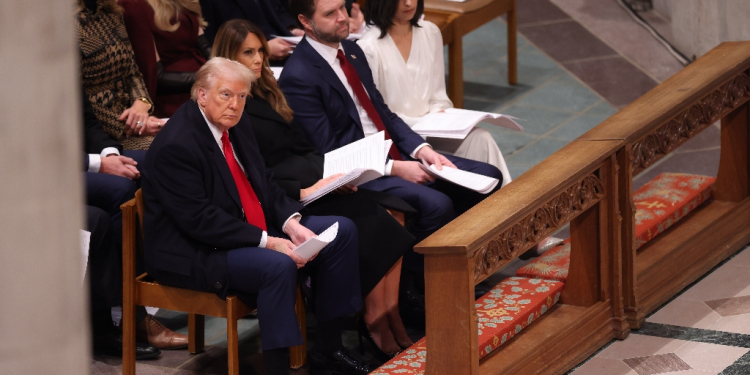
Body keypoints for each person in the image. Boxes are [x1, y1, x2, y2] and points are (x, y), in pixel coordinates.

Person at [141, 57, 372, 375]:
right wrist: (267, 242)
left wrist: (292, 224)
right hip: (194, 251)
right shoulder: (177, 145)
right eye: (226, 94)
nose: (235, 104)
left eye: (241, 96)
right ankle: (278, 369)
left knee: (340, 231)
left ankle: (329, 347)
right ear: (202, 94)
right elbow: (200, 220)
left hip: (244, 227)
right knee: (275, 266)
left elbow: (264, 182)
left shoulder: (235, 123)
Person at [212, 19, 416, 358]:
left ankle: (388, 315)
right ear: (227, 57)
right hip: (284, 198)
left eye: (261, 50)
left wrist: (328, 178)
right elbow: (251, 175)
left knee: (391, 212)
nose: (258, 59)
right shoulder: (235, 107)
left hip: (311, 183)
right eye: (248, 52)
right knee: (370, 221)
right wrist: (304, 188)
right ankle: (373, 322)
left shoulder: (268, 91)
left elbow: (306, 147)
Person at [279, 0, 504, 293]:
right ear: (305, 22)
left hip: (395, 154)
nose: (342, 18)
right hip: (362, 174)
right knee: (437, 204)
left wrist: (421, 148)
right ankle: (418, 292)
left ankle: (461, 271)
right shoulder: (300, 75)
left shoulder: (353, 50)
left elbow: (383, 113)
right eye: (330, 14)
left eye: (343, 9)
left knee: (488, 177)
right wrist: (394, 168)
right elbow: (329, 151)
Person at [358, 0, 511, 185]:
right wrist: (424, 124)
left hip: (433, 128)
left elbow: (439, 96)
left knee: (481, 138)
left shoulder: (429, 32)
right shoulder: (368, 47)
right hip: (402, 138)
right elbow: (380, 115)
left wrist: (442, 114)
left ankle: (507, 203)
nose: (409, 3)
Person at [82, 92, 189, 354]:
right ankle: (133, 311)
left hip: (82, 158)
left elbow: (87, 121)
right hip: (35, 172)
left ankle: (173, 276)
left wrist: (109, 153)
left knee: (155, 161)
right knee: (118, 191)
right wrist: (98, 163)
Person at [76, 0, 164, 150]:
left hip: (134, 119)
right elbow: (78, 98)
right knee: (170, 151)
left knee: (191, 140)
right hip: (103, 133)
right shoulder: (66, 23)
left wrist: (142, 102)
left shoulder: (112, 12)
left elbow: (132, 71)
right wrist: (130, 124)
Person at [200, 0, 365, 66]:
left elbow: (280, 10)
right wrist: (263, 49)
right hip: (252, 63)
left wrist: (292, 28)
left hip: (287, 47)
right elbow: (216, 41)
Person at [119, 0, 210, 118]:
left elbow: (204, 46)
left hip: (204, 89)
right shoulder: (134, 5)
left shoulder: (179, 2)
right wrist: (210, 78)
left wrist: (227, 68)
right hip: (175, 100)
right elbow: (156, 77)